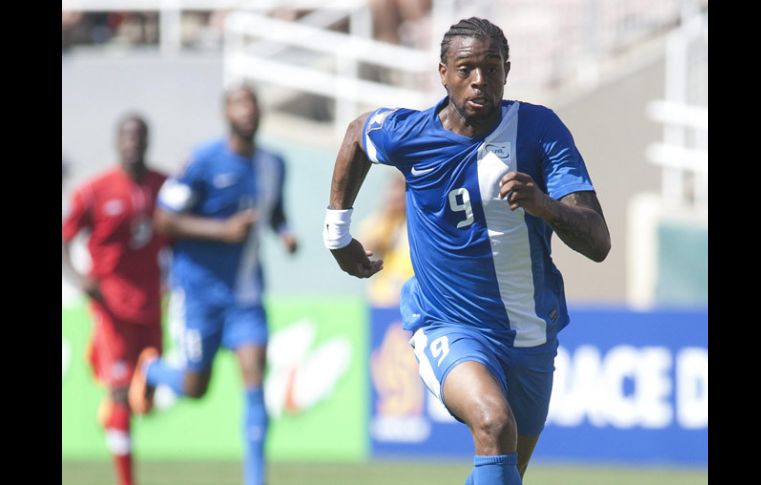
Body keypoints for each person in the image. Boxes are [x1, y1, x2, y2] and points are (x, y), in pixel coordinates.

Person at [323, 17, 611, 485]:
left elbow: (598, 242)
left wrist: (546, 207)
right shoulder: (411, 135)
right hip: (447, 324)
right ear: (443, 73)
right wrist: (337, 234)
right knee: (494, 425)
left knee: (504, 470)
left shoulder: (539, 131)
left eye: (491, 69)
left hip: (531, 333)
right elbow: (359, 133)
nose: (480, 81)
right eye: (466, 69)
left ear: (507, 70)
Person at [128, 83, 298, 485]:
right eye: (240, 104)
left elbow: (274, 211)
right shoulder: (203, 161)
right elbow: (164, 219)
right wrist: (222, 230)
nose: (248, 111)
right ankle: (152, 370)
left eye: (253, 104)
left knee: (255, 376)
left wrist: (285, 231)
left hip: (246, 294)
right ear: (226, 113)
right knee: (194, 387)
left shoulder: (275, 164)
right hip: (199, 293)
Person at [62, 114, 167, 485]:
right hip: (111, 308)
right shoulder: (94, 191)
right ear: (116, 142)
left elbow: (179, 233)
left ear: (148, 141)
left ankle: (116, 411)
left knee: (145, 400)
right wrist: (80, 279)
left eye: (139, 136)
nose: (132, 143)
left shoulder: (163, 186)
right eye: (126, 136)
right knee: (122, 391)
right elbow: (64, 237)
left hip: (152, 305)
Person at [358, 173, 413, 307]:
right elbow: (365, 248)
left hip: (413, 297)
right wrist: (388, 218)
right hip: (385, 297)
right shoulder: (379, 221)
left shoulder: (418, 224)